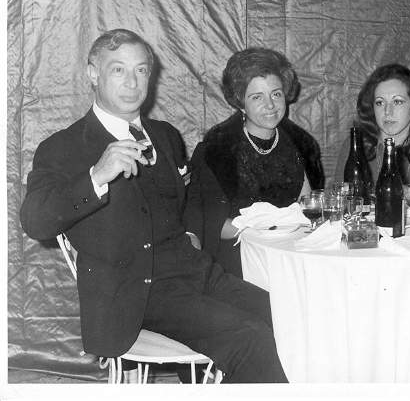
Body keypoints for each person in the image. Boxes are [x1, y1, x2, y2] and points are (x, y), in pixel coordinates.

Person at [20, 29, 288, 383]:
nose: (132, 82)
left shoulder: (165, 136)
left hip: (197, 274)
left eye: (141, 70)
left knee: (291, 316)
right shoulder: (63, 147)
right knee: (250, 336)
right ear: (93, 74)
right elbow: (35, 221)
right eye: (118, 70)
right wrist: (96, 176)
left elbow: (185, 200)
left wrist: (190, 233)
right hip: (135, 294)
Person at [185, 47, 324, 278]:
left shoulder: (300, 144)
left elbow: (308, 208)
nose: (270, 105)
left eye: (276, 94)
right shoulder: (217, 149)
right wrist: (262, 229)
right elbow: (210, 223)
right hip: (235, 258)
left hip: (290, 253)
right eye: (257, 97)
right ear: (241, 103)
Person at [334, 63, 410, 191]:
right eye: (380, 102)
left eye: (397, 101)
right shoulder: (355, 146)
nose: (387, 111)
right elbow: (337, 196)